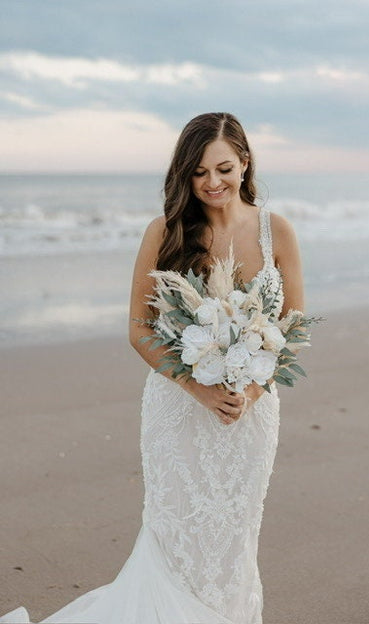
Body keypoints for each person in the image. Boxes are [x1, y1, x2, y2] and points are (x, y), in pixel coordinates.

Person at [0, 112, 304, 624]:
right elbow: (139, 328)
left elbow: (293, 326)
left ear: (245, 163)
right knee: (177, 534)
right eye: (199, 172)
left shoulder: (278, 232)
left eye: (224, 169)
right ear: (183, 174)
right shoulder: (165, 231)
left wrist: (251, 391)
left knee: (234, 533)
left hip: (250, 412)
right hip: (179, 408)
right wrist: (197, 388)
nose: (212, 183)